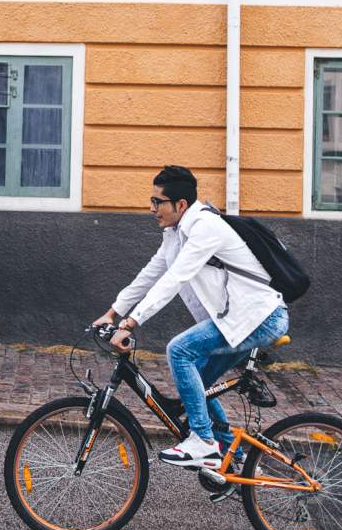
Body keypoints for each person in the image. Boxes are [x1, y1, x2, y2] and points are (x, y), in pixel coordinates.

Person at [97, 164, 289, 471]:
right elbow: (151, 274)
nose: (152, 208)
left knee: (179, 350)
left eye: (157, 202)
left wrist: (131, 323)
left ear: (180, 205)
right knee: (197, 380)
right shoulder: (175, 233)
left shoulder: (204, 227)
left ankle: (203, 441)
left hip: (260, 317)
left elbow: (175, 278)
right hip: (236, 320)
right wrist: (113, 312)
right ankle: (230, 456)